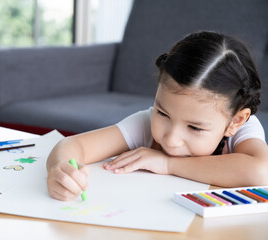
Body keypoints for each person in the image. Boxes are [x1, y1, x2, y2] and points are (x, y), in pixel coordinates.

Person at [46, 31, 268, 201]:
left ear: (235, 121)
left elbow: (261, 173)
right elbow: (73, 145)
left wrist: (167, 164)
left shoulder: (242, 128)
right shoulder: (144, 124)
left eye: (195, 128)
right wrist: (61, 168)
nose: (171, 139)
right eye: (163, 112)